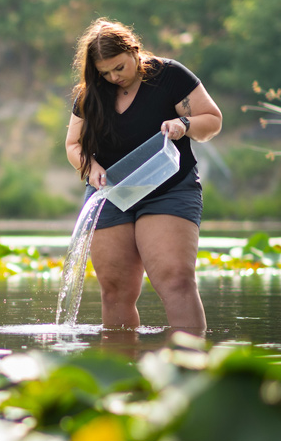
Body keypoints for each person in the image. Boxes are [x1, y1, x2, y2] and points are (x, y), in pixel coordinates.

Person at [63, 18, 223, 333]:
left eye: (119, 68)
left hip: (169, 190)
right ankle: (124, 375)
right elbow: (73, 144)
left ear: (134, 51)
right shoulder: (91, 93)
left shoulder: (170, 76)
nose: (113, 77)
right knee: (115, 290)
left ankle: (188, 370)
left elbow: (212, 120)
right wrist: (90, 166)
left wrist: (184, 125)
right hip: (110, 194)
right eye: (104, 73)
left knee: (175, 279)